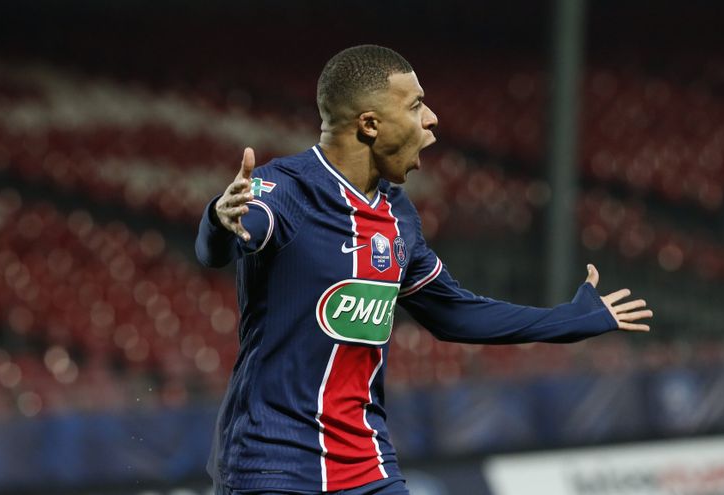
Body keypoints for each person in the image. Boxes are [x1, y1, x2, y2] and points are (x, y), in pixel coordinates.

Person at [196, 45, 652, 495]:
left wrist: (569, 320)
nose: (431, 119)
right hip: (271, 468)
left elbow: (454, 313)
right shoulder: (285, 190)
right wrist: (219, 220)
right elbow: (225, 241)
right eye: (415, 106)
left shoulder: (397, 214)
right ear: (370, 124)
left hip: (366, 466)